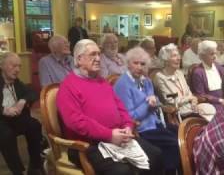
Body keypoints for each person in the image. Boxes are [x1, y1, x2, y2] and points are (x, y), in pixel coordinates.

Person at [56, 39, 164, 175]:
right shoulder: (68, 86)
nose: (98, 59)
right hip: (88, 145)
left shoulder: (102, 81)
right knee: (122, 172)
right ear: (79, 59)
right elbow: (76, 121)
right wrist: (109, 135)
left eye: (99, 54)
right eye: (93, 55)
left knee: (156, 155)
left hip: (119, 137)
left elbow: (121, 108)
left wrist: (127, 126)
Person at [113, 47, 181, 175]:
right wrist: (147, 105)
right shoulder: (122, 85)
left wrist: (155, 101)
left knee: (183, 137)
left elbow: (156, 103)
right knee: (174, 144)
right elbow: (129, 116)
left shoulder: (147, 81)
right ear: (128, 64)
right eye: (136, 63)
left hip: (156, 123)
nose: (139, 67)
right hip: (141, 130)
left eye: (143, 64)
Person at [0, 52, 43, 175]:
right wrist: (4, 110)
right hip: (1, 120)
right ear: (2, 65)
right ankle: (17, 171)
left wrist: (22, 101)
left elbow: (32, 93)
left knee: (34, 125)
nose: (17, 69)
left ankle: (35, 165)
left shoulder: (17, 82)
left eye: (19, 66)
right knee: (6, 135)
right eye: (13, 66)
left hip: (16, 118)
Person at [154, 43, 215, 121]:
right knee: (208, 121)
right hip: (178, 113)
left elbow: (189, 93)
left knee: (212, 111)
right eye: (174, 56)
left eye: (179, 55)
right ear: (166, 60)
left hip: (191, 108)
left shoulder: (179, 73)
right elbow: (171, 101)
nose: (179, 58)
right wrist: (189, 98)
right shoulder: (160, 77)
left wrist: (193, 102)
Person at [190, 40, 224, 108]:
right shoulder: (198, 72)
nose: (214, 56)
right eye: (211, 54)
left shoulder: (219, 67)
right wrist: (219, 100)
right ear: (202, 56)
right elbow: (201, 95)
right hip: (209, 104)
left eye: (215, 53)